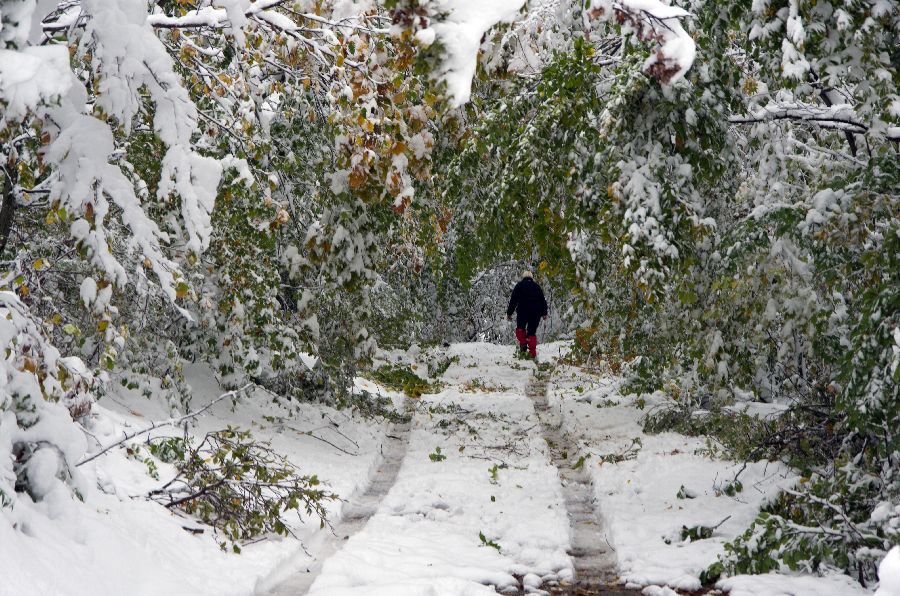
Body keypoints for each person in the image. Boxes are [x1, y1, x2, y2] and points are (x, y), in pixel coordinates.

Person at [506, 270, 548, 358]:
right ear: (532, 278)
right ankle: (532, 354)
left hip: (523, 311)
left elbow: (513, 300)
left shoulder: (519, 285)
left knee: (520, 329)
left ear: (523, 277)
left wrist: (509, 313)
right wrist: (544, 313)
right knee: (531, 333)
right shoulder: (537, 287)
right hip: (535, 313)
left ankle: (523, 343)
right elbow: (543, 300)